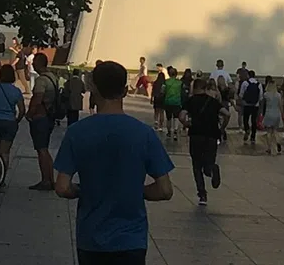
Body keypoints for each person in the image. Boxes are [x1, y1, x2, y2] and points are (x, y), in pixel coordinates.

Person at [54, 60, 174, 265]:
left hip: (91, 238)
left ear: (93, 88)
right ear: (126, 91)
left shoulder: (77, 132)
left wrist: (81, 190)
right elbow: (165, 190)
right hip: (131, 240)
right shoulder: (143, 134)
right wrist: (136, 191)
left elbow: (62, 187)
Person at [182, 75, 226, 207]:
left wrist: (187, 124)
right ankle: (212, 169)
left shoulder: (191, 101)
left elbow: (182, 115)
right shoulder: (212, 101)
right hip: (212, 135)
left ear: (195, 88)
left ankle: (202, 195)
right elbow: (226, 114)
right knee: (209, 160)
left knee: (196, 166)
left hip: (196, 135)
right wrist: (222, 128)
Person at [27, 51, 60, 190]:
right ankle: (49, 178)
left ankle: (46, 180)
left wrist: (30, 113)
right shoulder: (53, 77)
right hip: (50, 116)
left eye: (35, 62)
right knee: (44, 148)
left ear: (40, 63)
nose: (33, 64)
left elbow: (37, 99)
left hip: (41, 117)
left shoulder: (41, 81)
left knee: (41, 149)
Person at [0, 64, 25, 169]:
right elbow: (22, 110)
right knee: (4, 152)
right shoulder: (16, 91)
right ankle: (1, 178)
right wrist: (16, 121)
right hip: (10, 122)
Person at [239, 70, 263, 146]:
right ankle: (253, 136)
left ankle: (247, 130)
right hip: (255, 105)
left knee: (245, 119)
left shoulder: (245, 83)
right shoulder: (259, 84)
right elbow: (261, 96)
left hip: (247, 104)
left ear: (248, 75)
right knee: (254, 121)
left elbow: (241, 94)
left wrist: (242, 100)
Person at [261, 77, 284, 155]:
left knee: (268, 132)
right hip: (276, 113)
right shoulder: (278, 95)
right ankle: (278, 143)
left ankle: (269, 148)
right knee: (275, 131)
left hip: (268, 113)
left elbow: (262, 104)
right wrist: (282, 114)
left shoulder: (266, 94)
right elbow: (280, 106)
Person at [161, 66, 183, 144]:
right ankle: (176, 130)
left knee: (169, 118)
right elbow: (182, 92)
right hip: (177, 102)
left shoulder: (166, 82)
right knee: (176, 117)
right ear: (176, 74)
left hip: (168, 102)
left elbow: (162, 91)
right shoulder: (180, 83)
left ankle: (169, 132)